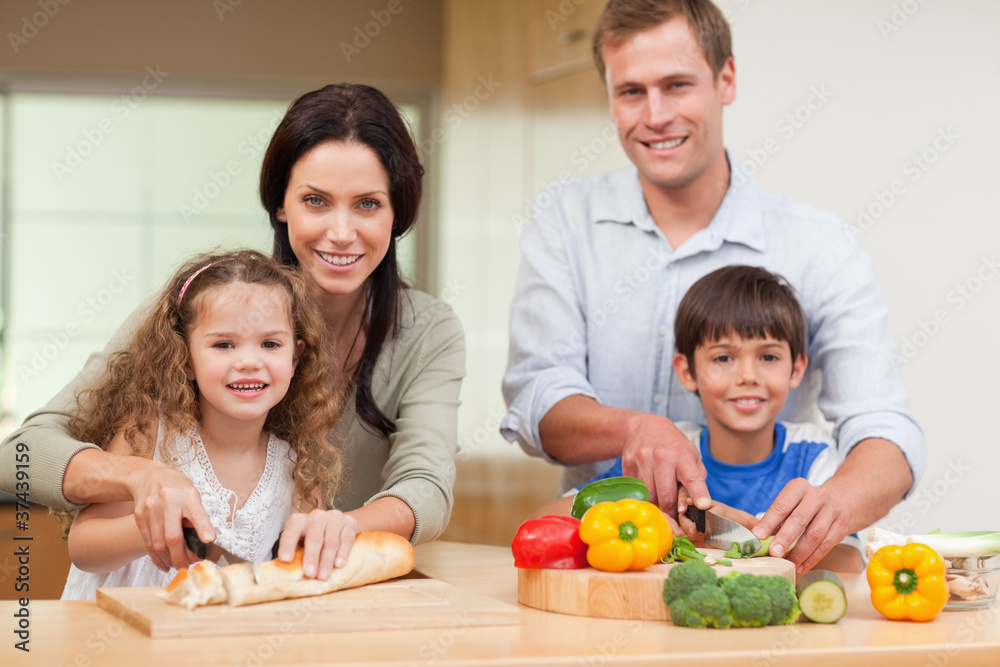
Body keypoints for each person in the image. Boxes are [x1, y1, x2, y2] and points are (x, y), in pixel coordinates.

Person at [501, 0, 923, 573]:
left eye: (677, 85)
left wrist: (831, 511)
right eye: (631, 92)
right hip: (609, 570)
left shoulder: (822, 246)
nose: (655, 115)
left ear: (726, 79)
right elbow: (538, 400)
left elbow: (884, 430)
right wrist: (637, 428)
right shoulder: (565, 220)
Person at [1, 84, 465, 579]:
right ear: (281, 204)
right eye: (315, 200)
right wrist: (141, 475)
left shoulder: (428, 332)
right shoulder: (196, 305)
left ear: (398, 214)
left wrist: (340, 528)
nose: (341, 232)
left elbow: (427, 485)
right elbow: (20, 456)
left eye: (368, 204)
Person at [60, 249, 353, 598]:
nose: (248, 361)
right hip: (124, 638)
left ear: (295, 357)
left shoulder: (296, 469)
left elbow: (308, 564)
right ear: (184, 359)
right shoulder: (150, 437)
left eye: (270, 344)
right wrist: (155, 531)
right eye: (224, 344)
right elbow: (82, 548)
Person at [540, 266, 863, 572]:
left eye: (768, 357)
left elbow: (850, 561)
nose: (748, 376)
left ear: (795, 369)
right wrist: (644, 516)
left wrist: (729, 532)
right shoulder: (667, 454)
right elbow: (541, 524)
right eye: (723, 358)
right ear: (687, 372)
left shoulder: (814, 454)